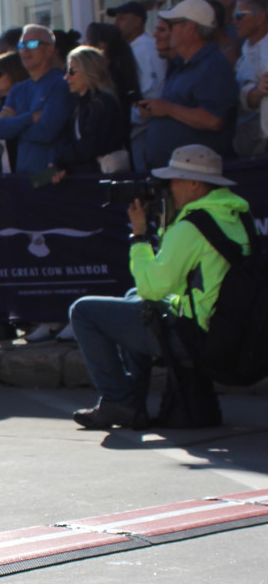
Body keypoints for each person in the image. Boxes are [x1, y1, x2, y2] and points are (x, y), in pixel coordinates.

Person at [68, 145, 250, 430]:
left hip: (195, 335)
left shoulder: (192, 226)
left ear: (194, 183)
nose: (168, 187)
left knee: (82, 311)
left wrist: (139, 236)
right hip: (227, 329)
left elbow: (152, 288)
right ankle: (131, 404)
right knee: (133, 298)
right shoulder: (235, 215)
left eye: (173, 180)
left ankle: (118, 400)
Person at [138, 0, 237, 168]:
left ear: (190, 28)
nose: (170, 31)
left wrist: (167, 109)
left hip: (196, 174)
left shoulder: (213, 66)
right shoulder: (181, 66)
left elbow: (213, 119)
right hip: (174, 172)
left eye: (172, 25)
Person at [0, 26, 72, 175]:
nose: (25, 50)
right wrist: (30, 117)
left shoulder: (61, 84)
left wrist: (15, 127)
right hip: (23, 175)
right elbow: (0, 129)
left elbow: (47, 132)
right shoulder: (18, 89)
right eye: (21, 45)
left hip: (51, 176)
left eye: (32, 44)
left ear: (49, 50)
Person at [53, 46, 128, 177]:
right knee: (36, 182)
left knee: (35, 184)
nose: (66, 77)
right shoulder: (79, 105)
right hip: (81, 177)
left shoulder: (103, 103)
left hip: (100, 180)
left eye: (72, 71)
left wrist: (61, 156)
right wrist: (57, 167)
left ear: (89, 71)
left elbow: (89, 147)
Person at [107, 1, 166, 169]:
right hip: (139, 129)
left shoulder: (145, 48)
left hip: (147, 129)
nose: (117, 23)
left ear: (138, 21)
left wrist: (129, 117)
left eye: (122, 18)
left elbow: (152, 91)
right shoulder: (133, 48)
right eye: (116, 18)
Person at [233, 0, 268, 157]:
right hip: (250, 141)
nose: (235, 21)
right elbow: (244, 94)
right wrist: (256, 91)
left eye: (240, 15)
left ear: (260, 17)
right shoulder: (245, 51)